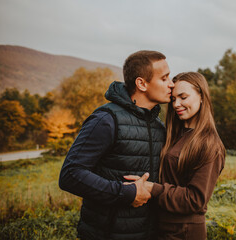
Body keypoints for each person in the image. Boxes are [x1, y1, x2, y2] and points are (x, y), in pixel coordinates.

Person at [59, 50, 174, 240]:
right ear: (141, 83)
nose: (172, 84)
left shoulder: (158, 126)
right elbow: (70, 174)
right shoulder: (106, 119)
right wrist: (125, 193)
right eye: (164, 78)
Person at [125, 72, 226, 239]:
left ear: (202, 96)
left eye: (183, 97)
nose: (176, 104)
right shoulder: (175, 134)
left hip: (184, 232)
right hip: (162, 226)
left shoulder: (209, 145)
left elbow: (195, 200)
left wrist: (152, 188)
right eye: (173, 99)